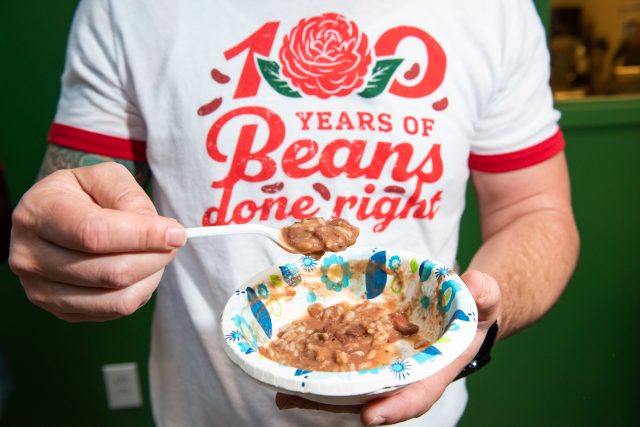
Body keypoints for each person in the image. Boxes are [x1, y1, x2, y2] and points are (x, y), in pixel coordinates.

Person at [8, 0, 579, 426]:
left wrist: (477, 317)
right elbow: (78, 192)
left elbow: (536, 210)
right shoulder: (128, 10)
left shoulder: (492, 12)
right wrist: (70, 239)